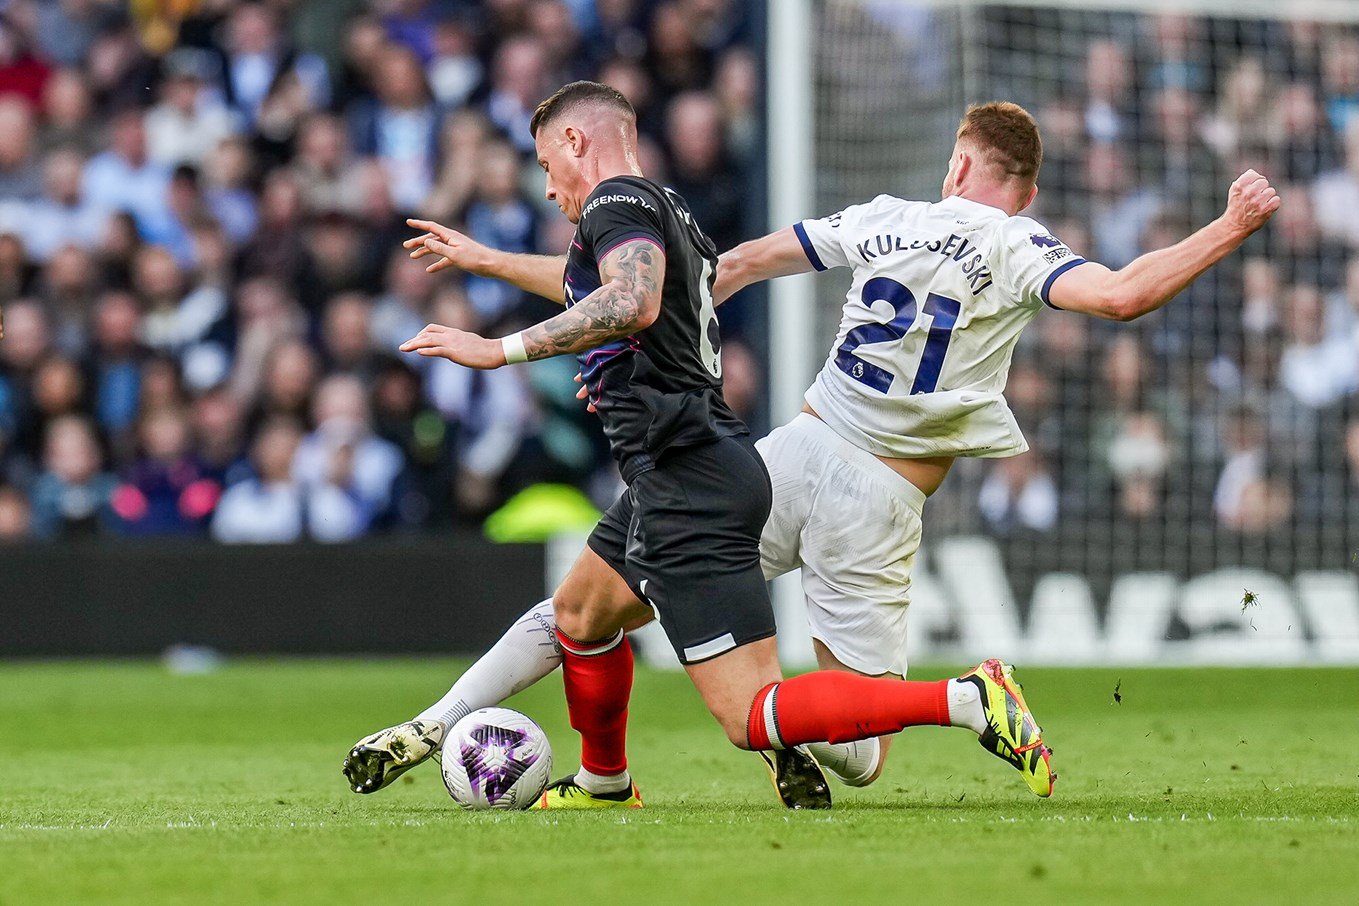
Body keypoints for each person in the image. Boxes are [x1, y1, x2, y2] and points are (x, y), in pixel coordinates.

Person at [346, 88, 1133, 810]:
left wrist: (501, 350)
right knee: (581, 612)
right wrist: (498, 269)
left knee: (754, 715)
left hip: (693, 475)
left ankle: (965, 700)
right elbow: (624, 293)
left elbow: (628, 298)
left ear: (578, 141)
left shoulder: (612, 207)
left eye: (549, 164)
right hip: (711, 458)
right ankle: (592, 777)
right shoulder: (666, 212)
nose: (550, 187)